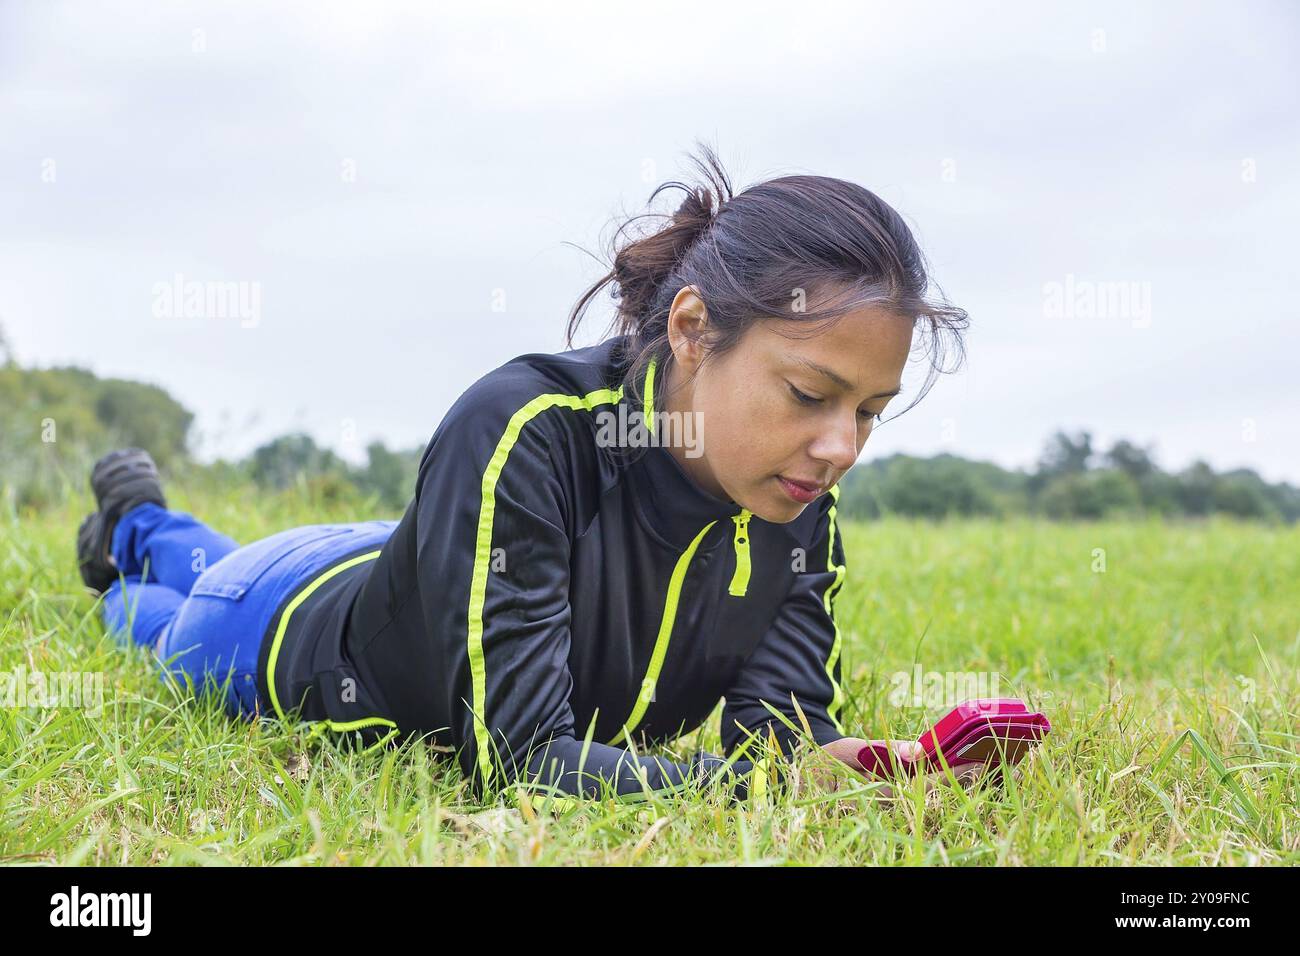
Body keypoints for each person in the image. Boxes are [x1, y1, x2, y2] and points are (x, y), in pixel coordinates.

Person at [76, 146, 971, 807]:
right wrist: (750, 792)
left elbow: (779, 742)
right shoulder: (527, 429)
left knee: (209, 571)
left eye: (867, 411)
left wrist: (856, 769)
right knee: (157, 614)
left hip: (424, 564)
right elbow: (521, 762)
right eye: (811, 394)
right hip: (278, 616)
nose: (841, 447)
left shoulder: (793, 488)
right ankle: (134, 526)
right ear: (693, 331)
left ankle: (148, 523)